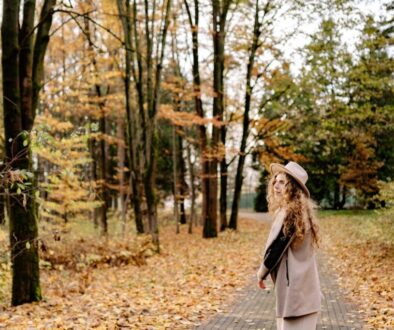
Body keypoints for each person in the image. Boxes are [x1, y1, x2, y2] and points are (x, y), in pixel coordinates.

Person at [256, 161, 321, 330]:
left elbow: (277, 248)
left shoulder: (291, 214)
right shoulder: (299, 212)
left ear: (292, 188)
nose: (276, 186)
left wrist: (261, 273)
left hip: (296, 293)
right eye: (275, 181)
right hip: (304, 292)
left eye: (282, 182)